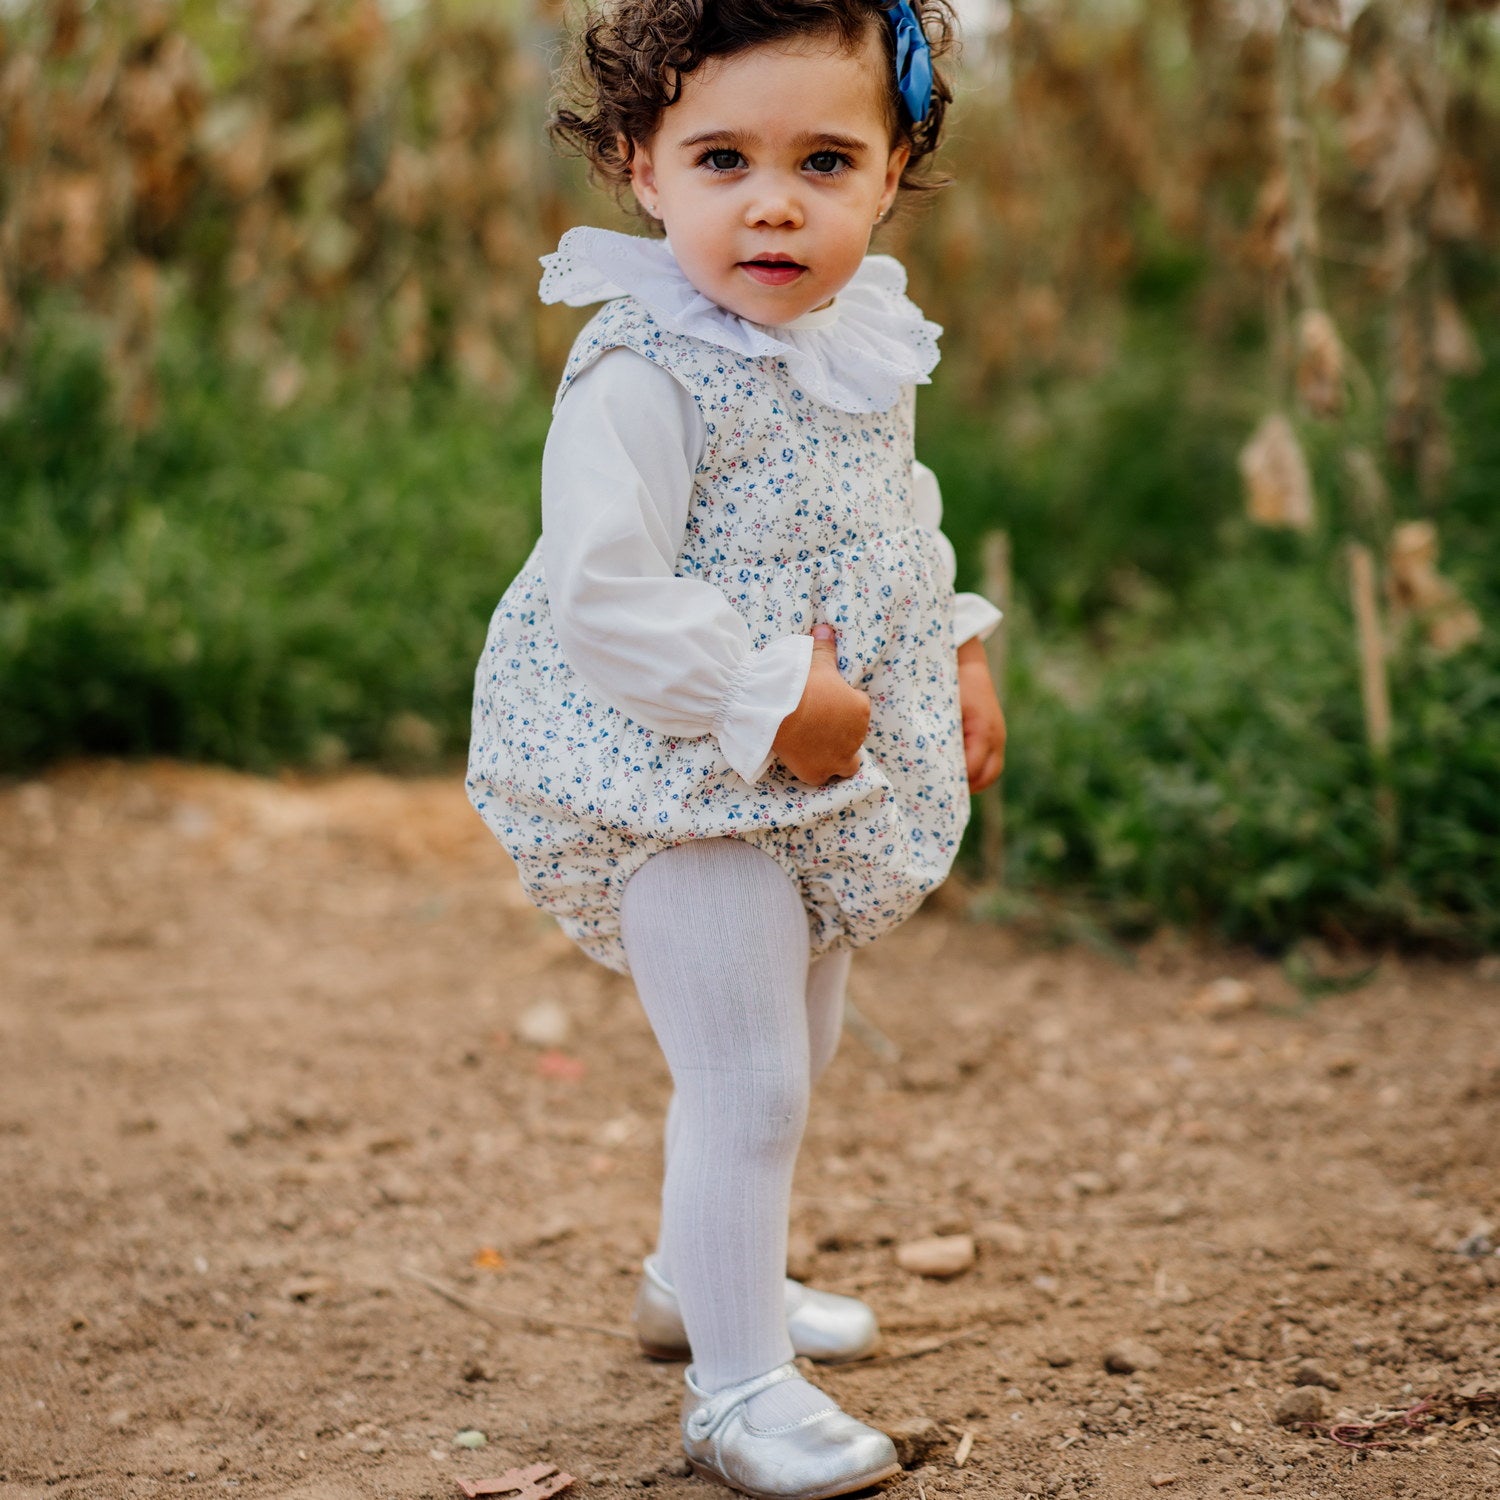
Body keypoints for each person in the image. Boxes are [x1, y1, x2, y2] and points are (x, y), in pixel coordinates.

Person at [467, 0, 1005, 1493]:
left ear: (890, 176)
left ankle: (694, 1281)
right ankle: (736, 1388)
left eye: (825, 160)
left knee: (793, 1045)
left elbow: (894, 513)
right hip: (672, 778)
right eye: (723, 157)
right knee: (752, 1076)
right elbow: (605, 595)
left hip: (805, 776)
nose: (775, 201)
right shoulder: (643, 368)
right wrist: (770, 696)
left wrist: (955, 640)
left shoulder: (856, 342)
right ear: (644, 168)